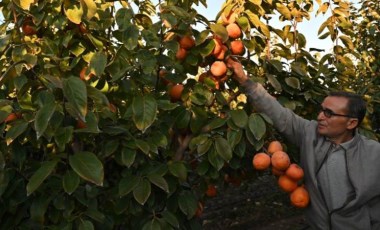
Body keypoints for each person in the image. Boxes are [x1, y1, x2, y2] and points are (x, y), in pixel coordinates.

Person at [226, 57, 380, 230]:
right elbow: (280, 115)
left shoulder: (374, 153)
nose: (320, 116)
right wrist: (245, 82)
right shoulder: (310, 134)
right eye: (322, 110)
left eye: (329, 113)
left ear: (351, 123)